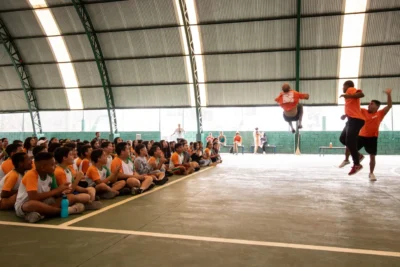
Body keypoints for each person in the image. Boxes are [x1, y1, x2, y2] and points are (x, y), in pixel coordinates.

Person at [14, 152, 85, 223]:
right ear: (43, 167)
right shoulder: (31, 175)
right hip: (25, 205)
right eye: (52, 165)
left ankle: (42, 214)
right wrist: (58, 190)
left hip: (45, 202)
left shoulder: (51, 175)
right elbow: (33, 197)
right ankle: (66, 211)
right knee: (31, 204)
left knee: (70, 197)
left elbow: (56, 195)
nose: (55, 166)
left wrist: (62, 191)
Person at [339, 88, 392, 181]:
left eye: (372, 104)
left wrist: (388, 94)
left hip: (372, 138)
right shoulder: (362, 111)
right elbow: (353, 112)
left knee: (372, 156)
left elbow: (389, 106)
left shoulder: (380, 113)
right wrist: (345, 115)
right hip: (361, 136)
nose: (369, 104)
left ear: (377, 107)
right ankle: (347, 159)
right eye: (369, 103)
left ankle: (371, 173)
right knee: (349, 144)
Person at [339, 80, 366, 175]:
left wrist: (349, 95)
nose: (343, 88)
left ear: (347, 85)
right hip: (351, 119)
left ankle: (357, 164)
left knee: (350, 141)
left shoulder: (350, 89)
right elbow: (353, 107)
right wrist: (345, 115)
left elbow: (361, 94)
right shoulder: (348, 94)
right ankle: (358, 155)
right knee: (342, 139)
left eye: (343, 86)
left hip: (356, 120)